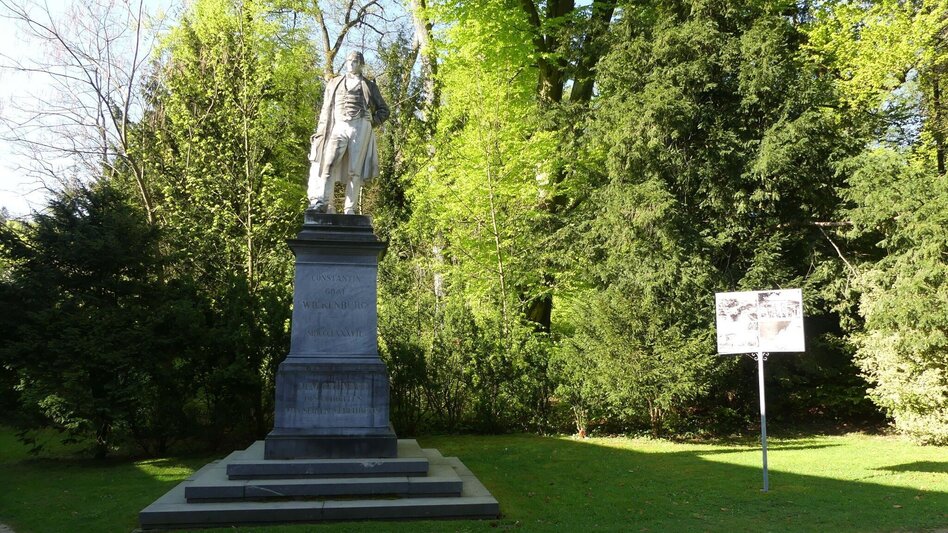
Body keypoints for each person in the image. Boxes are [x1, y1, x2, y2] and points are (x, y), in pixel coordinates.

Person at [307, 50, 389, 215]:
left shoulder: (369, 86)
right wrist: (320, 132)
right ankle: (323, 203)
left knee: (354, 170)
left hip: (360, 127)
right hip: (338, 126)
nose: (350, 64)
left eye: (354, 61)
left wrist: (373, 120)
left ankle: (349, 208)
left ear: (361, 64)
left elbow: (384, 110)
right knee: (328, 164)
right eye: (349, 61)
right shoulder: (334, 83)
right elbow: (325, 110)